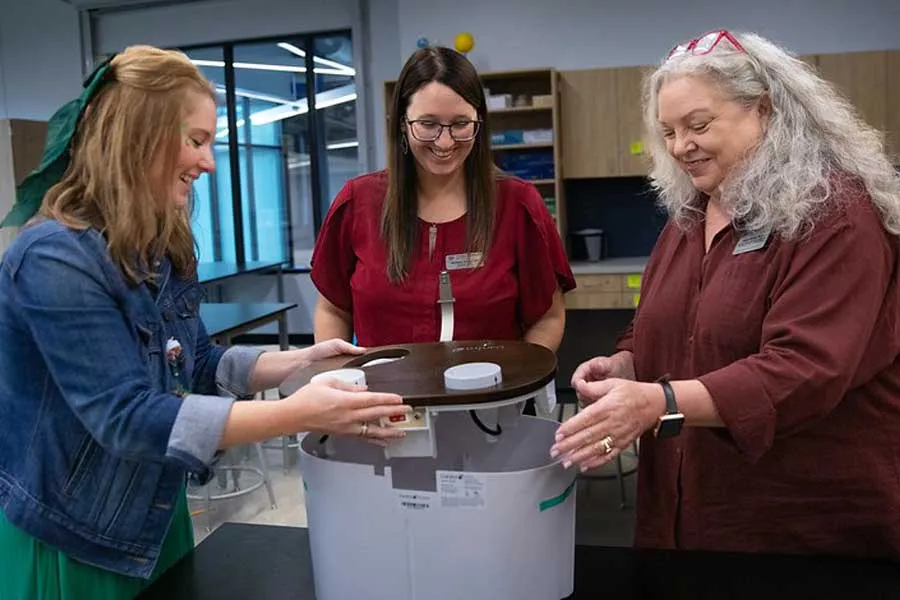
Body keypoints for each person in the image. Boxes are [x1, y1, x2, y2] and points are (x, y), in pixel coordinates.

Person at [0, 45, 410, 599]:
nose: (209, 163)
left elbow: (194, 364)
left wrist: (300, 366)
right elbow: (126, 418)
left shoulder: (158, 247)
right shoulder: (54, 258)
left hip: (155, 511)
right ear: (136, 137)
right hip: (78, 535)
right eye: (196, 141)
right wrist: (294, 414)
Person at [551, 30, 900, 559]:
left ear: (765, 110)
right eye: (667, 131)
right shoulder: (692, 216)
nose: (678, 146)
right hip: (685, 510)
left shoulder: (834, 213)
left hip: (798, 521)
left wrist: (659, 402)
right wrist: (628, 362)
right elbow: (666, 321)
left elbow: (804, 369)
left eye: (698, 125)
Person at [311, 46, 575, 354]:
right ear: (401, 123)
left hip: (493, 397)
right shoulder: (358, 202)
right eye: (428, 124)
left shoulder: (518, 204)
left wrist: (515, 385)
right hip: (382, 398)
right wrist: (340, 381)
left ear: (479, 123)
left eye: (461, 123)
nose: (445, 141)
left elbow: (548, 315)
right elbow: (333, 309)